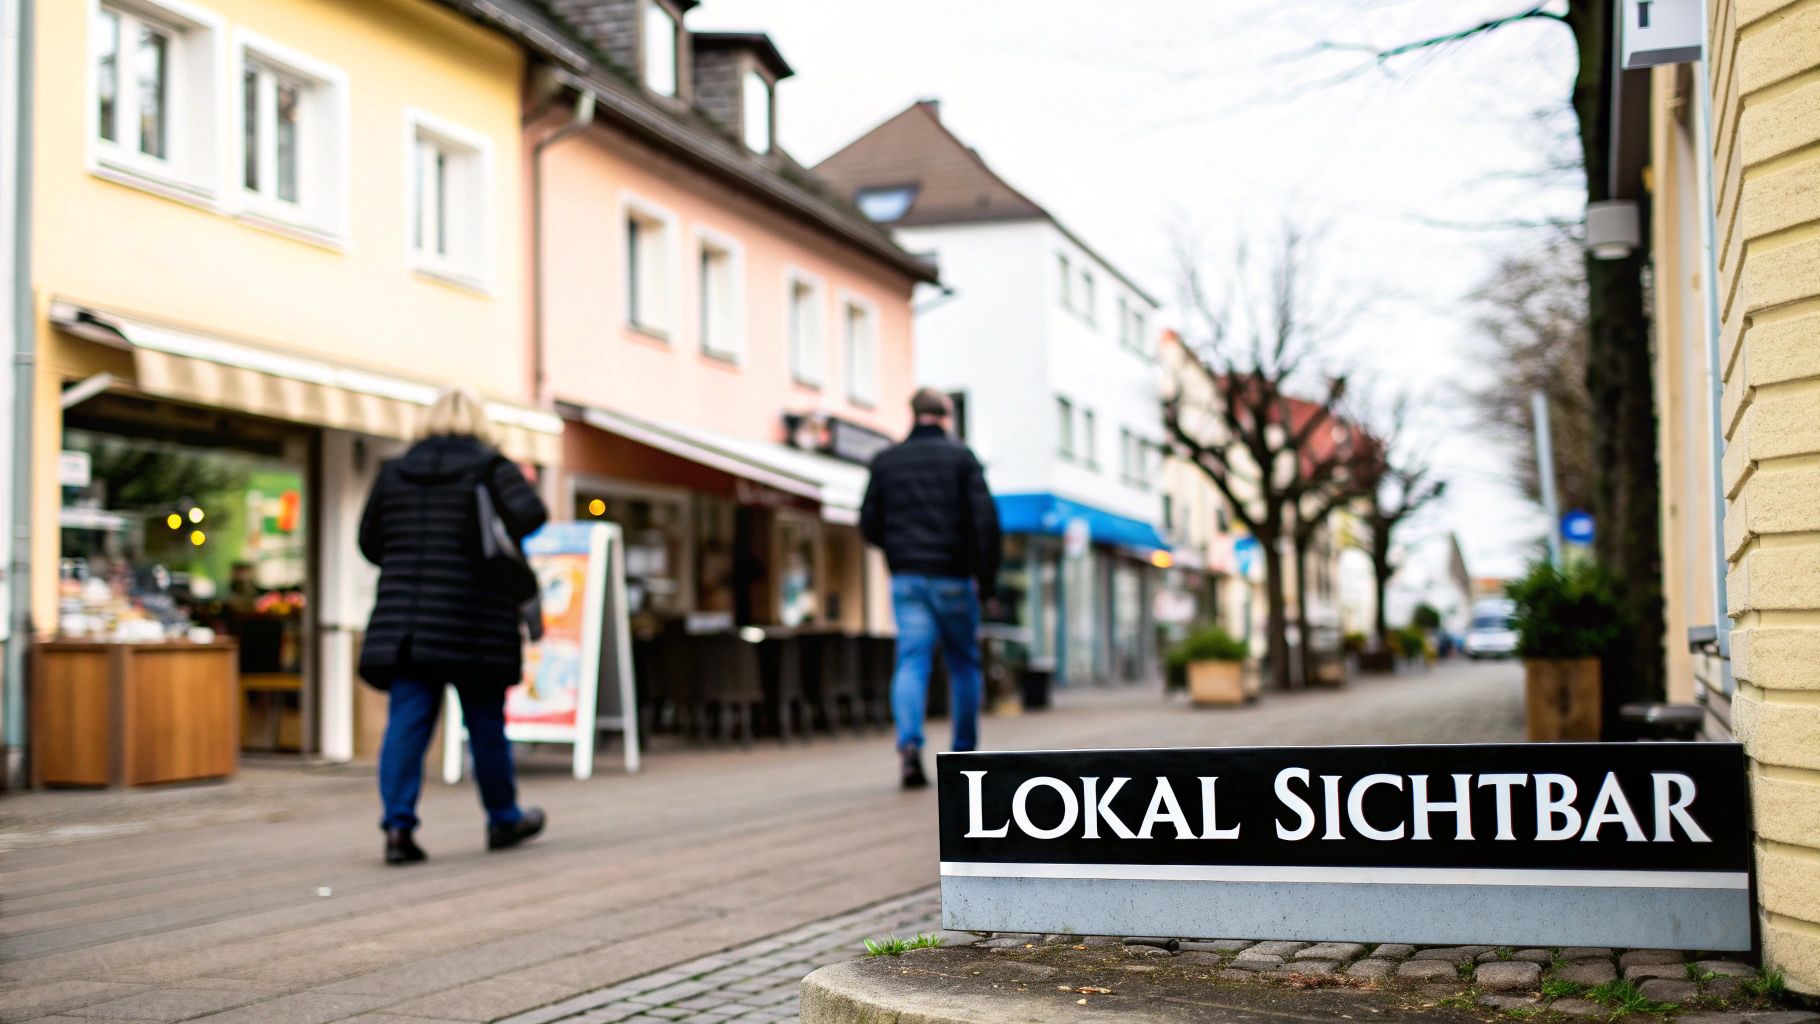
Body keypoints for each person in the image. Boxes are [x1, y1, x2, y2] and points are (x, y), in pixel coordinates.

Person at [358, 387, 550, 865]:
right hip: (477, 617)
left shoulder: (394, 472)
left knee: (406, 724)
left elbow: (369, 543)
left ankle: (398, 830)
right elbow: (532, 516)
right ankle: (503, 818)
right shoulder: (490, 467)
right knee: (485, 724)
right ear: (479, 424)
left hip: (408, 622)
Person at [860, 388, 1001, 788]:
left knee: (911, 661)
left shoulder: (886, 461)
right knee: (963, 665)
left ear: (915, 414)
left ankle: (908, 747)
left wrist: (898, 551)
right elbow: (985, 522)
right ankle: (963, 758)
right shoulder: (962, 459)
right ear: (946, 416)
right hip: (954, 577)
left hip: (906, 578)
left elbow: (869, 523)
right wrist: (986, 582)